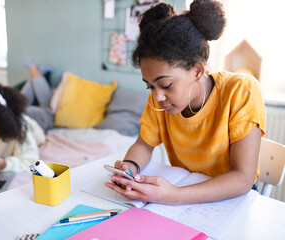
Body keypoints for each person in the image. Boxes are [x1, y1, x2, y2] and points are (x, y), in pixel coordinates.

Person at [105, 0, 266, 205]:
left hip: (232, 199)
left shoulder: (240, 90)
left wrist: (174, 196)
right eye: (150, 86)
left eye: (166, 84)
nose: (157, 96)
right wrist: (128, 169)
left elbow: (243, 178)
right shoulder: (160, 100)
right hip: (185, 191)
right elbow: (144, 145)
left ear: (198, 71)